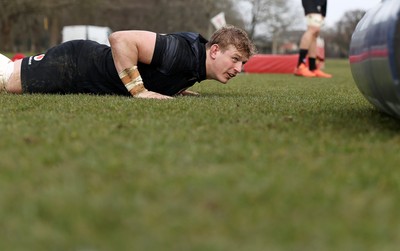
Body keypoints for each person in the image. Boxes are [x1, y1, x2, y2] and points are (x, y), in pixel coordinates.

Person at [0, 25, 256, 99]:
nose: (238, 69)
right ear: (213, 51)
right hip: (76, 64)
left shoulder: (195, 65)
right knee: (8, 80)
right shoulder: (181, 52)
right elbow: (121, 39)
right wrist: (139, 90)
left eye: (242, 63)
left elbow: (163, 71)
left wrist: (176, 88)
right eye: (235, 59)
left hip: (84, 71)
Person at [294, 0, 332, 78]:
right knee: (312, 29)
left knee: (315, 34)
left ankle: (312, 67)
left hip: (319, 4)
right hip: (310, 2)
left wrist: (323, 11)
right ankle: (300, 65)